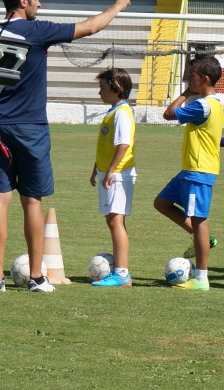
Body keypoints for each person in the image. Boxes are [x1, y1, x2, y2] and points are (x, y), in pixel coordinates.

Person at [0, 0, 130, 293]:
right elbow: (91, 26)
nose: (39, 3)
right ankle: (37, 277)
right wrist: (118, 6)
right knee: (32, 201)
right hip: (31, 128)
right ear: (23, 2)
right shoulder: (37, 31)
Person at [154, 55, 224, 291]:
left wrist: (186, 93)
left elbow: (169, 113)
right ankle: (200, 238)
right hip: (190, 170)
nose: (188, 80)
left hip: (199, 171)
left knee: (199, 221)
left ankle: (202, 278)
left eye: (192, 76)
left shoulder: (203, 105)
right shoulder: (212, 104)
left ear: (205, 78)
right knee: (161, 203)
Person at [89, 68, 136, 288]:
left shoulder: (122, 113)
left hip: (119, 174)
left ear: (116, 88)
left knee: (115, 221)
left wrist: (110, 171)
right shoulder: (113, 111)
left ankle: (122, 274)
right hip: (111, 173)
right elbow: (106, 147)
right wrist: (96, 168)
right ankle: (121, 270)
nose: (100, 92)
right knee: (113, 220)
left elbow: (123, 145)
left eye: (103, 88)